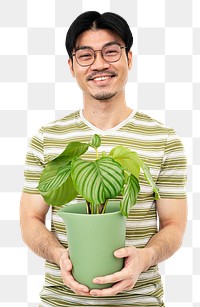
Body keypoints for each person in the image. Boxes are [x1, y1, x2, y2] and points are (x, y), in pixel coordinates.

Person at [20, 11, 187, 307]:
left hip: (140, 300)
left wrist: (145, 257)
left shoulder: (164, 139)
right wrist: (59, 254)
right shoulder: (47, 138)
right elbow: (30, 219)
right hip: (62, 300)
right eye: (85, 55)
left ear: (129, 59)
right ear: (71, 66)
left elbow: (173, 225)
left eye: (111, 52)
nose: (99, 64)